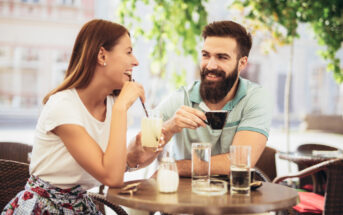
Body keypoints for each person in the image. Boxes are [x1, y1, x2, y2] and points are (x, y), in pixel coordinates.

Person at [1, 19, 145, 214]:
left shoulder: (112, 104)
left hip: (80, 207)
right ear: (102, 55)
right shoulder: (62, 106)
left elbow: (111, 167)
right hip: (43, 209)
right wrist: (121, 109)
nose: (135, 61)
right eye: (128, 52)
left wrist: (133, 157)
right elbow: (112, 178)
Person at [127, 20, 272, 177]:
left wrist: (179, 167)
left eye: (222, 57)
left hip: (234, 196)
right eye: (205, 55)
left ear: (242, 63)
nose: (210, 65)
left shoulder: (255, 98)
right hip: (184, 197)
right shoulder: (181, 98)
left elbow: (240, 162)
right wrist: (170, 127)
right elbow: (134, 159)